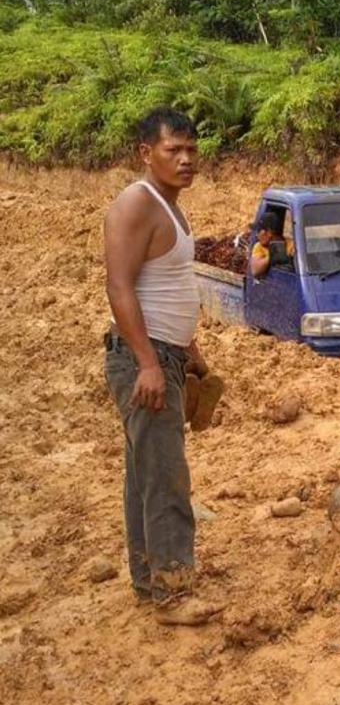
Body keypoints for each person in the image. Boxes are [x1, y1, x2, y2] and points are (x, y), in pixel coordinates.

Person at [103, 107, 222, 626]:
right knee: (167, 477)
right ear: (144, 152)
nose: (186, 159)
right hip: (143, 358)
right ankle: (173, 593)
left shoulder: (172, 208)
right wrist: (149, 363)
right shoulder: (137, 203)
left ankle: (151, 584)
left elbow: (169, 289)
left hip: (163, 355)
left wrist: (188, 352)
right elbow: (119, 287)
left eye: (192, 150)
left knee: (145, 476)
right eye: (173, 150)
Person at [251, 214, 294, 279]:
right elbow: (255, 270)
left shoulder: (291, 245)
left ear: (269, 232)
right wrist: (272, 257)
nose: (257, 235)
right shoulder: (259, 247)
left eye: (258, 231)